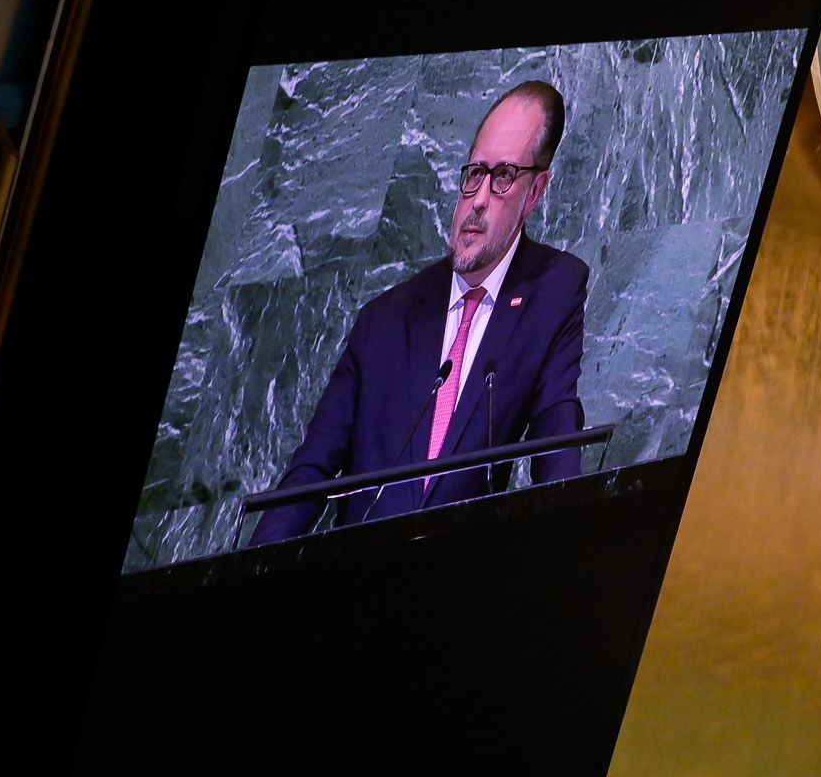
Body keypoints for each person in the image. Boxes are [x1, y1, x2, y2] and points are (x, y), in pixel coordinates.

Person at [251, 80, 590, 543]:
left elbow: (557, 434)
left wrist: (573, 540)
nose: (479, 199)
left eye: (504, 176)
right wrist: (257, 569)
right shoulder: (385, 321)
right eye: (474, 173)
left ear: (534, 193)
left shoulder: (553, 290)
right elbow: (310, 472)